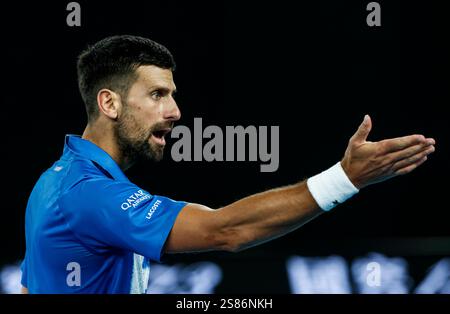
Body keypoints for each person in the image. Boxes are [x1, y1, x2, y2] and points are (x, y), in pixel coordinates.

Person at [20, 35, 436, 294]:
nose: (175, 111)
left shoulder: (51, 182)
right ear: (108, 102)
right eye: (157, 95)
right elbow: (226, 231)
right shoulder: (88, 195)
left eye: (172, 94)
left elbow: (31, 286)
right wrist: (344, 179)